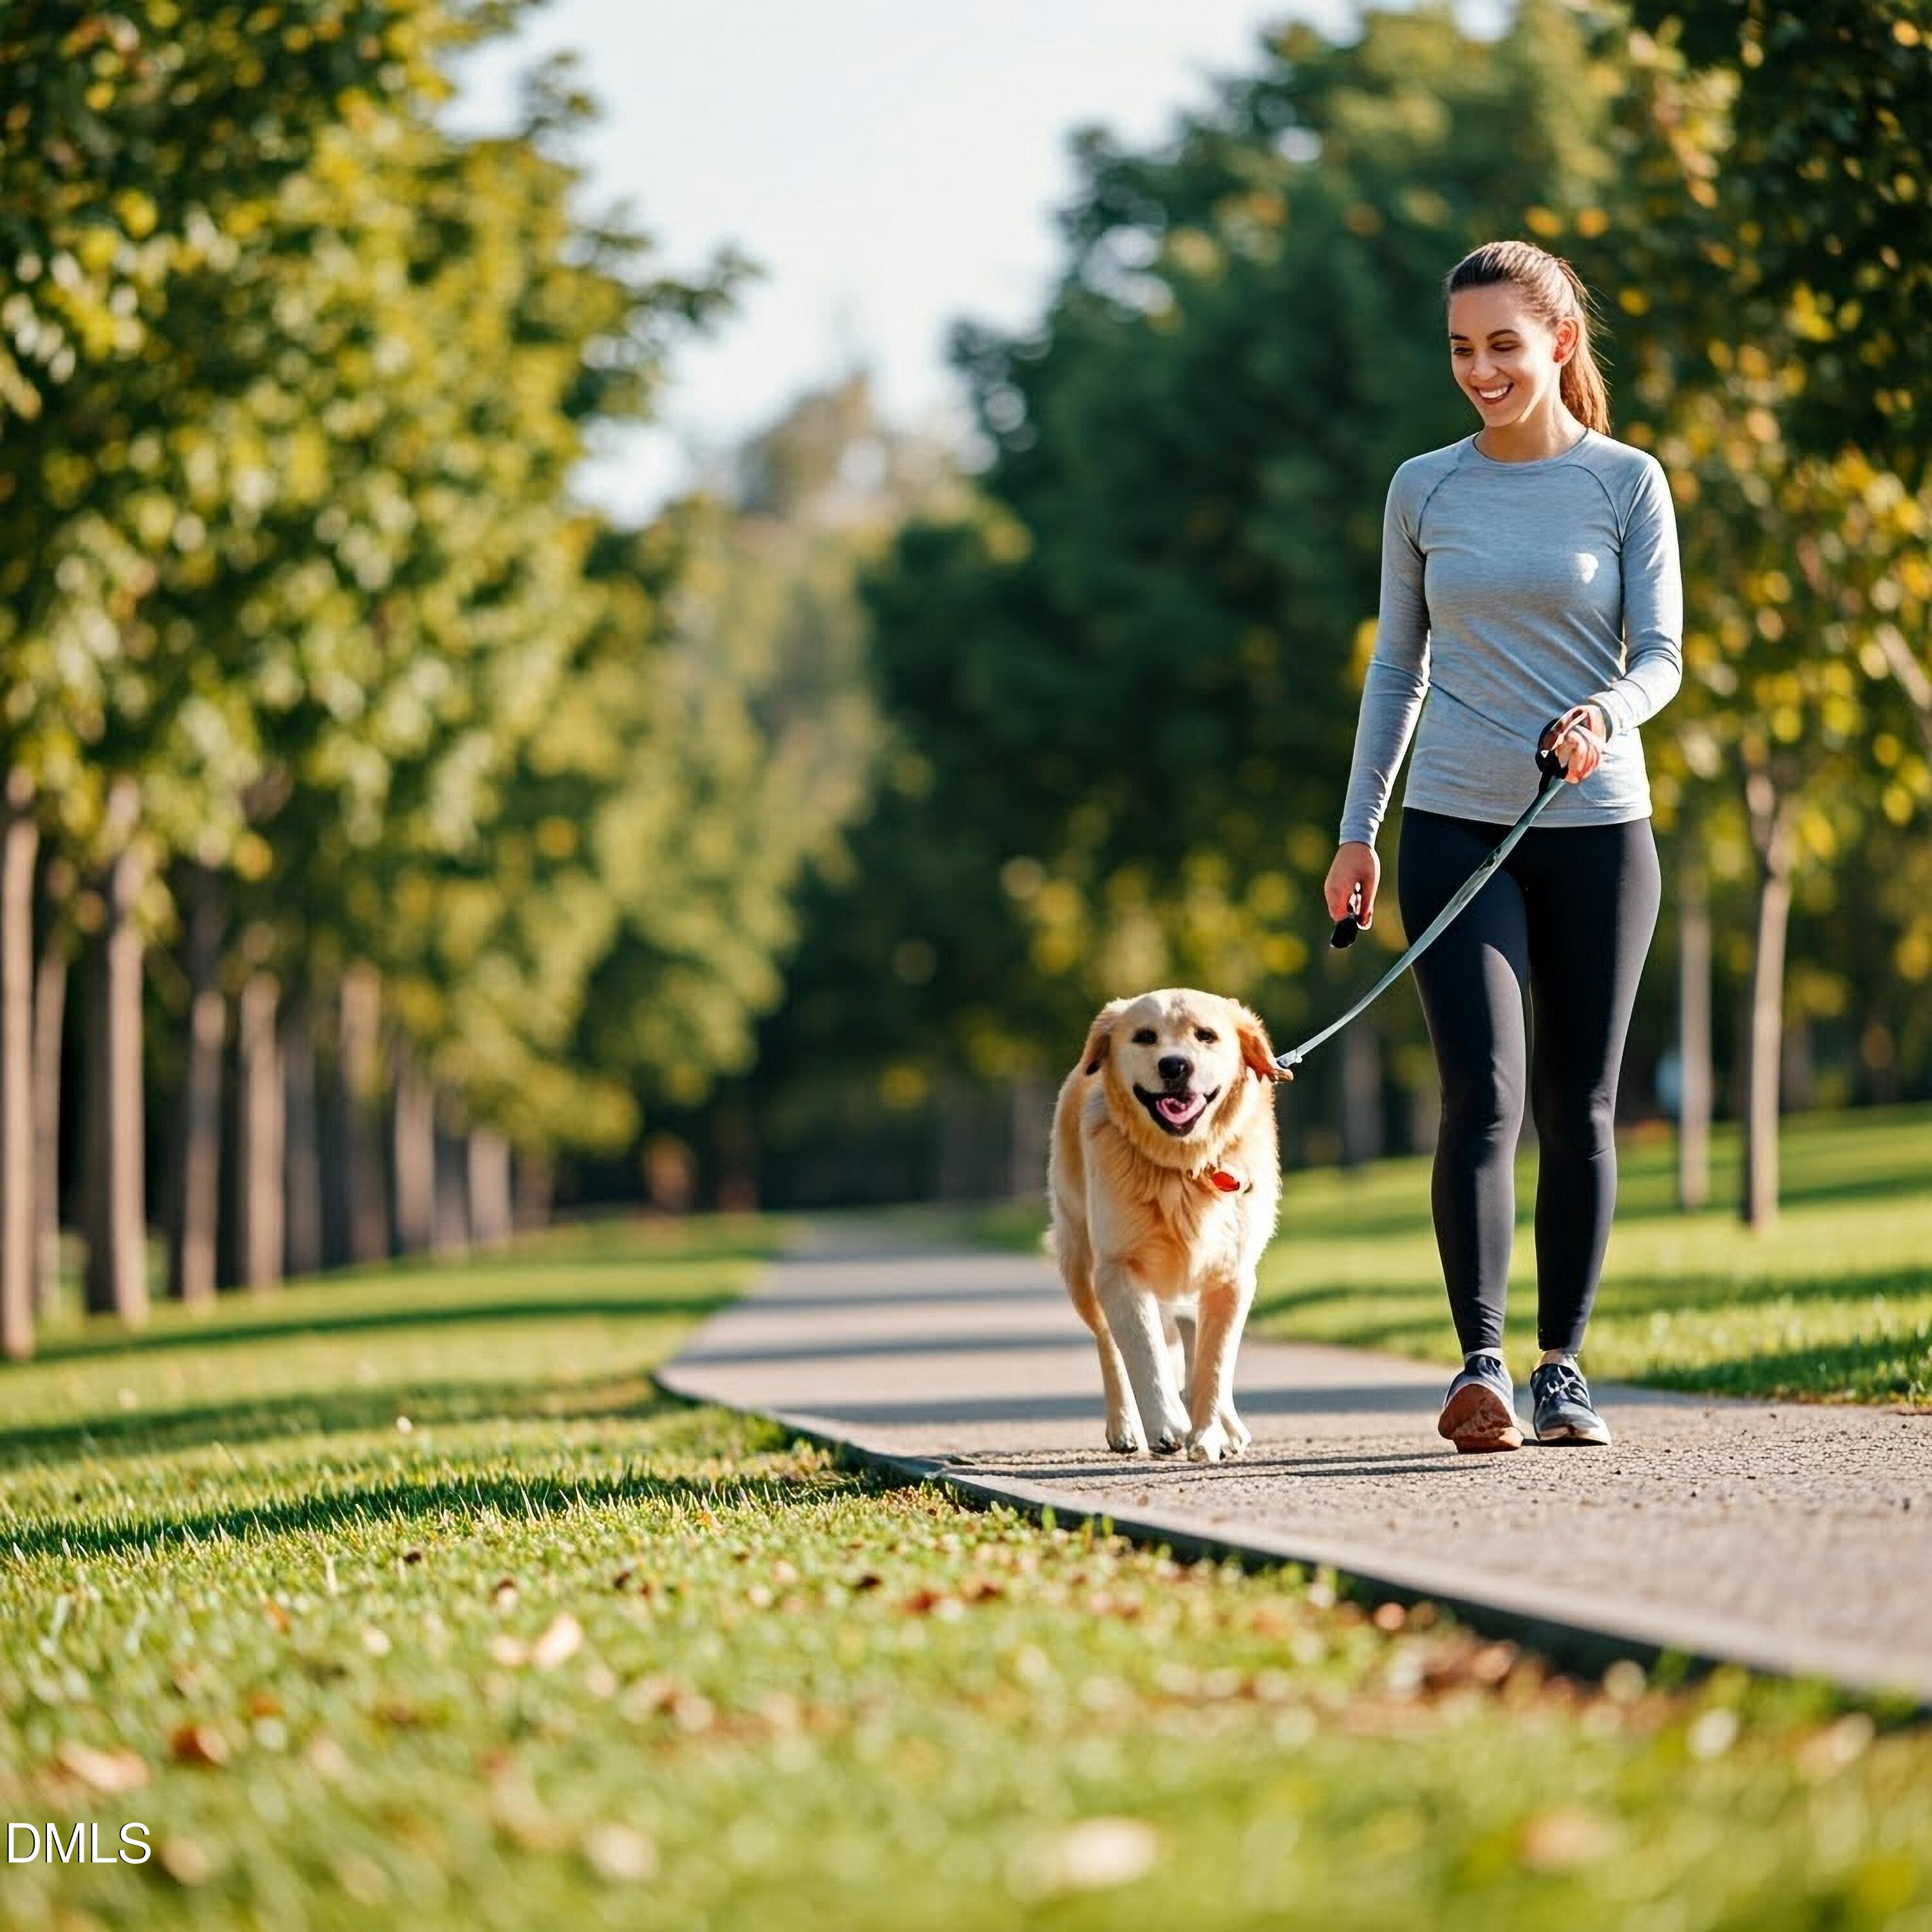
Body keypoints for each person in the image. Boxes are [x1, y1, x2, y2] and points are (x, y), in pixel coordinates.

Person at [1325, 238, 1682, 1452]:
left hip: (1598, 828)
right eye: (1462, 349)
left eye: (1504, 347)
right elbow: (1398, 667)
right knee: (1483, 1094)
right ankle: (1479, 1367)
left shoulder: (1626, 482)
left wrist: (1605, 716)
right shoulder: (1423, 488)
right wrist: (1358, 832)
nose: (1481, 371)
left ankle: (1561, 1371)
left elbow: (1662, 657)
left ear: (1560, 344)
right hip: (1453, 825)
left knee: (1579, 1107)